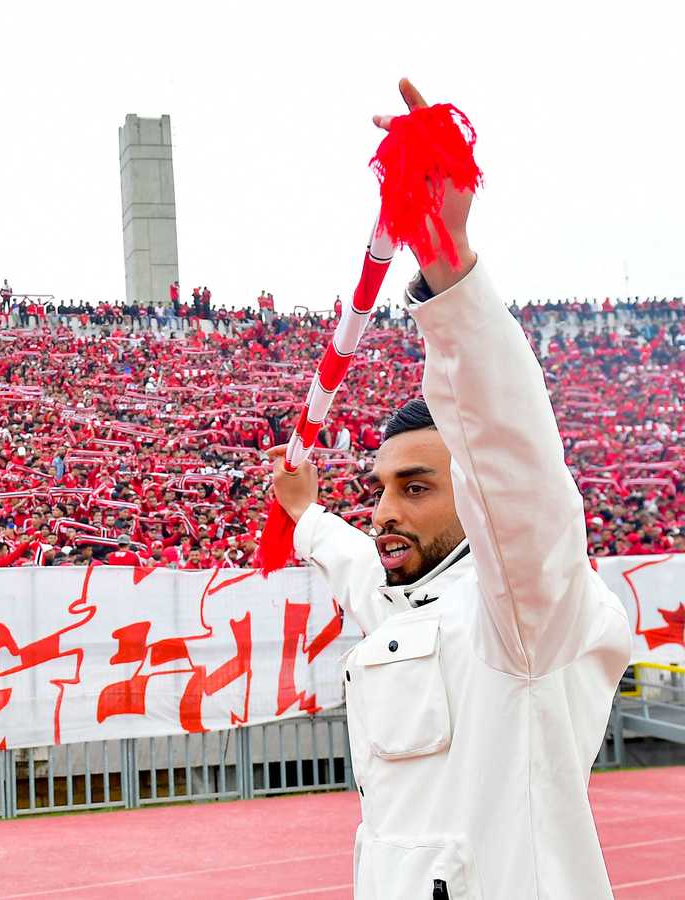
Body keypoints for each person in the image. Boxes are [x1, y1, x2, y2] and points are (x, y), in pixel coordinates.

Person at [265, 80, 630, 898]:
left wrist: (448, 273)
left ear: (477, 498)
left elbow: (518, 467)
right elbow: (359, 560)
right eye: (383, 487)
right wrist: (307, 516)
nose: (387, 510)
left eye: (417, 487)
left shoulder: (524, 619)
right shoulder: (402, 598)